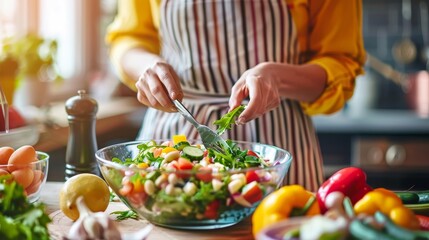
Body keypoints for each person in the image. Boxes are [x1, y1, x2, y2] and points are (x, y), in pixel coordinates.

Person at [105, 0, 366, 192]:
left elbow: (340, 62)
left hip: (279, 145)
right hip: (175, 135)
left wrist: (278, 77)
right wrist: (146, 67)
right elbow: (130, 39)